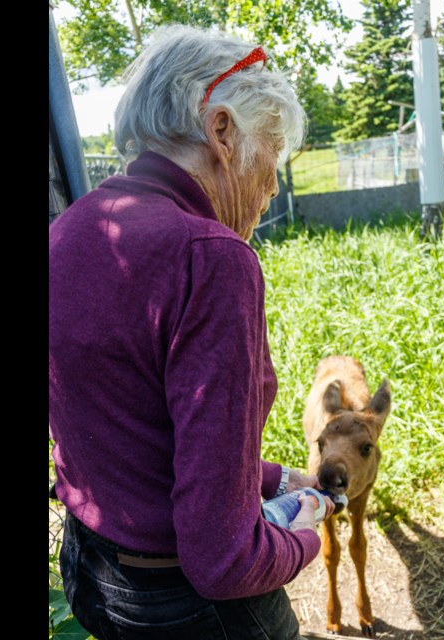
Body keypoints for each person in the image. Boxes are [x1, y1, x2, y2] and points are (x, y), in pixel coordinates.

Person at [49, 24, 335, 639]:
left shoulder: (71, 230)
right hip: (184, 609)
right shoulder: (211, 256)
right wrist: (304, 536)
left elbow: (134, 429)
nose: (273, 186)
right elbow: (226, 561)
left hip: (92, 571)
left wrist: (275, 478)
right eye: (273, 155)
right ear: (222, 131)